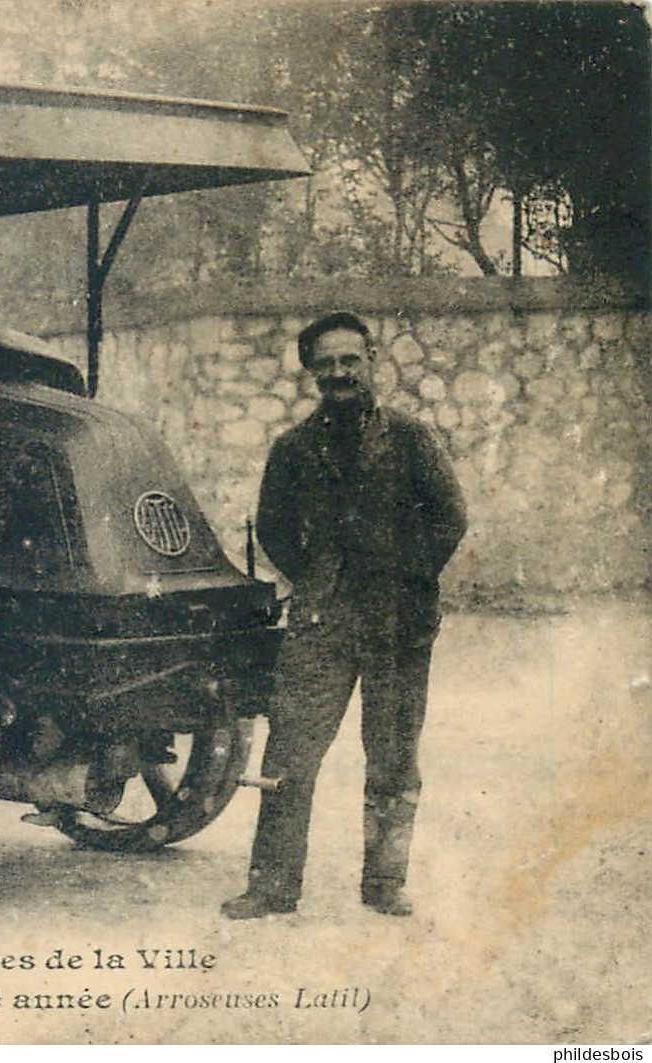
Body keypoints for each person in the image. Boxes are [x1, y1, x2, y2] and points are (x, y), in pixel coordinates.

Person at [221, 311, 466, 920]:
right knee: (289, 755)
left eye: (349, 360)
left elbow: (450, 517)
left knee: (393, 757)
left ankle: (384, 884)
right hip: (322, 621)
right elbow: (274, 526)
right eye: (326, 364)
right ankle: (272, 887)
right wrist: (319, 578)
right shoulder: (295, 448)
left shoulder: (411, 439)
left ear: (371, 361)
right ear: (312, 373)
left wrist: (406, 577)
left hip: (399, 624)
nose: (339, 373)